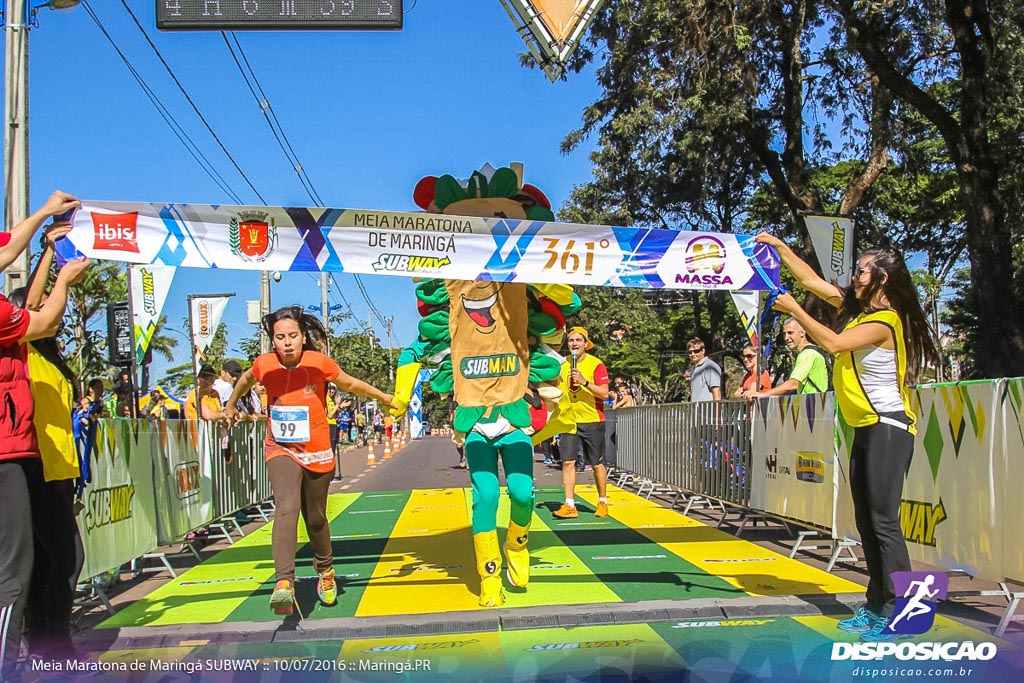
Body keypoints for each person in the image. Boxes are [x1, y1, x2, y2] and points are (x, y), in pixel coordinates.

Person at [757, 232, 936, 643]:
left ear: (881, 279)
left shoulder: (884, 321)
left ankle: (905, 613)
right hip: (865, 426)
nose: (854, 277)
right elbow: (813, 283)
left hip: (888, 426)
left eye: (860, 271)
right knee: (866, 522)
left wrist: (795, 312)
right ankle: (876, 605)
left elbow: (835, 344)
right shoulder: (859, 310)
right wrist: (781, 249)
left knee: (884, 523)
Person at [223, 306, 393, 616]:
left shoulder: (319, 363)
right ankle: (284, 584)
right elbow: (246, 380)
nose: (286, 343)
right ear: (272, 341)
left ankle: (325, 572)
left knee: (315, 518)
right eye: (279, 338)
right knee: (287, 507)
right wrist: (231, 405)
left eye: (292, 336)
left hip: (317, 449)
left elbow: (351, 384)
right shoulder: (264, 364)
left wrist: (385, 399)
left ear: (303, 337)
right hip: (280, 447)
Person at [0, 188, 89, 680]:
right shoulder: (22, 339)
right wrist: (61, 274)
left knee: (58, 561)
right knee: (25, 569)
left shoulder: (49, 355)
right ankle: (28, 655)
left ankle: (48, 645)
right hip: (21, 462)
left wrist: (51, 238)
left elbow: (9, 249)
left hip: (52, 465)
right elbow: (38, 305)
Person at [554, 327, 612, 519]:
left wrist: (585, 382)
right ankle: (569, 504)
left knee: (596, 464)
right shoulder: (562, 367)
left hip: (592, 420)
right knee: (568, 462)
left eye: (579, 340)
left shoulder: (596, 365)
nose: (575, 344)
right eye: (571, 340)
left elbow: (604, 393)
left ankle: (602, 501)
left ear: (586, 344)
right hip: (569, 421)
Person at [743, 319, 827, 398]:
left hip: (816, 406)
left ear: (802, 332)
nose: (786, 337)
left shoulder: (807, 354)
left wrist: (763, 394)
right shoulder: (809, 352)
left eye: (790, 333)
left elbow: (793, 384)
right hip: (816, 404)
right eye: (784, 334)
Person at [687, 337, 722, 402]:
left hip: (708, 411)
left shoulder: (710, 366)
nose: (692, 354)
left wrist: (717, 412)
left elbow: (716, 392)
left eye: (696, 351)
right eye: (690, 352)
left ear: (703, 351)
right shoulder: (693, 369)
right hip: (696, 410)